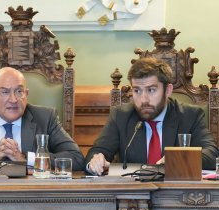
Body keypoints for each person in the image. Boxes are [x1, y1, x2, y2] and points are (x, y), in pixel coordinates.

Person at [85, 57, 219, 175]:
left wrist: (177, 158)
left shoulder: (190, 115)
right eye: (137, 90)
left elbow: (212, 155)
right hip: (133, 197)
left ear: (168, 90)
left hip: (176, 195)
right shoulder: (121, 116)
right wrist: (97, 160)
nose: (143, 99)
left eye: (151, 90)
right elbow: (97, 151)